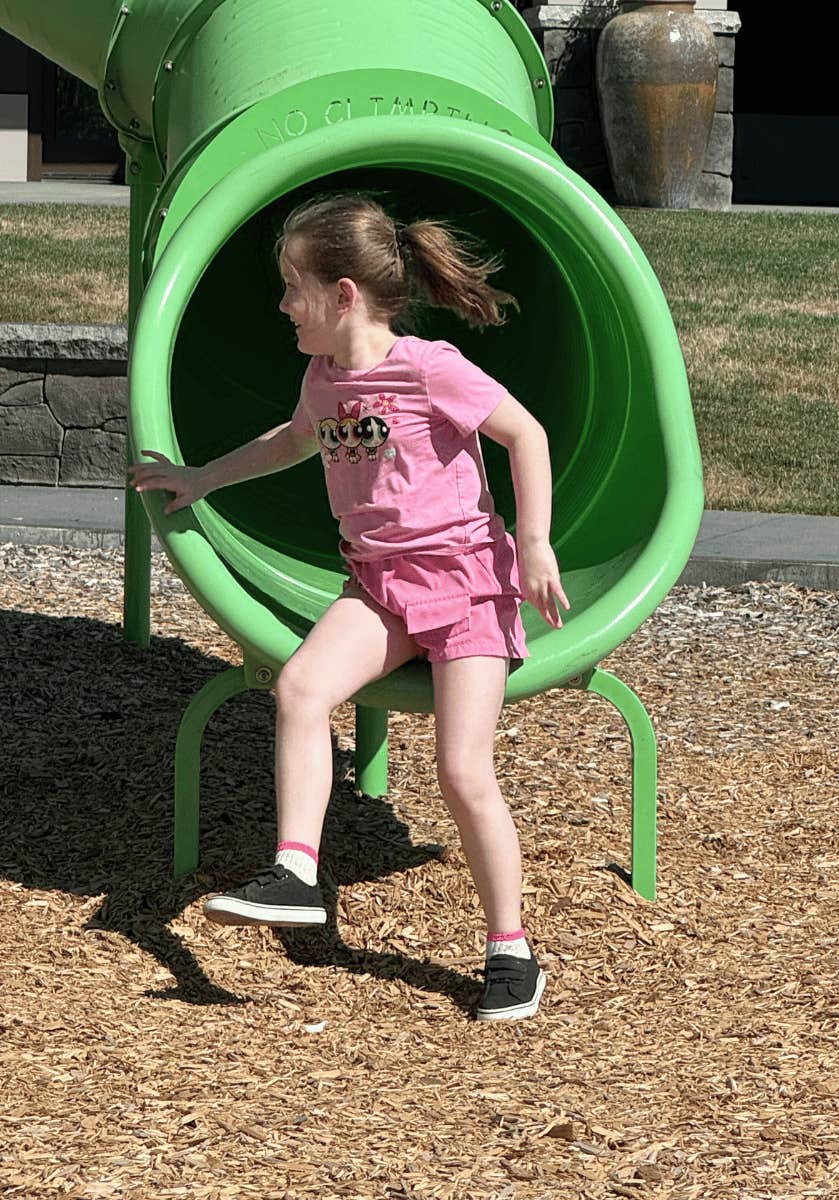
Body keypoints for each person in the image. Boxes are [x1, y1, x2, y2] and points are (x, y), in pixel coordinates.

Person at [128, 192, 569, 1021]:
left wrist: (535, 544)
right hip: (380, 585)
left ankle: (511, 949)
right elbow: (294, 440)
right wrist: (201, 479)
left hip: (468, 583)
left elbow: (527, 435)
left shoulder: (430, 367)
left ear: (343, 295)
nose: (283, 305)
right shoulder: (324, 375)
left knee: (461, 770)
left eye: (293, 287)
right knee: (299, 688)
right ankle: (296, 869)